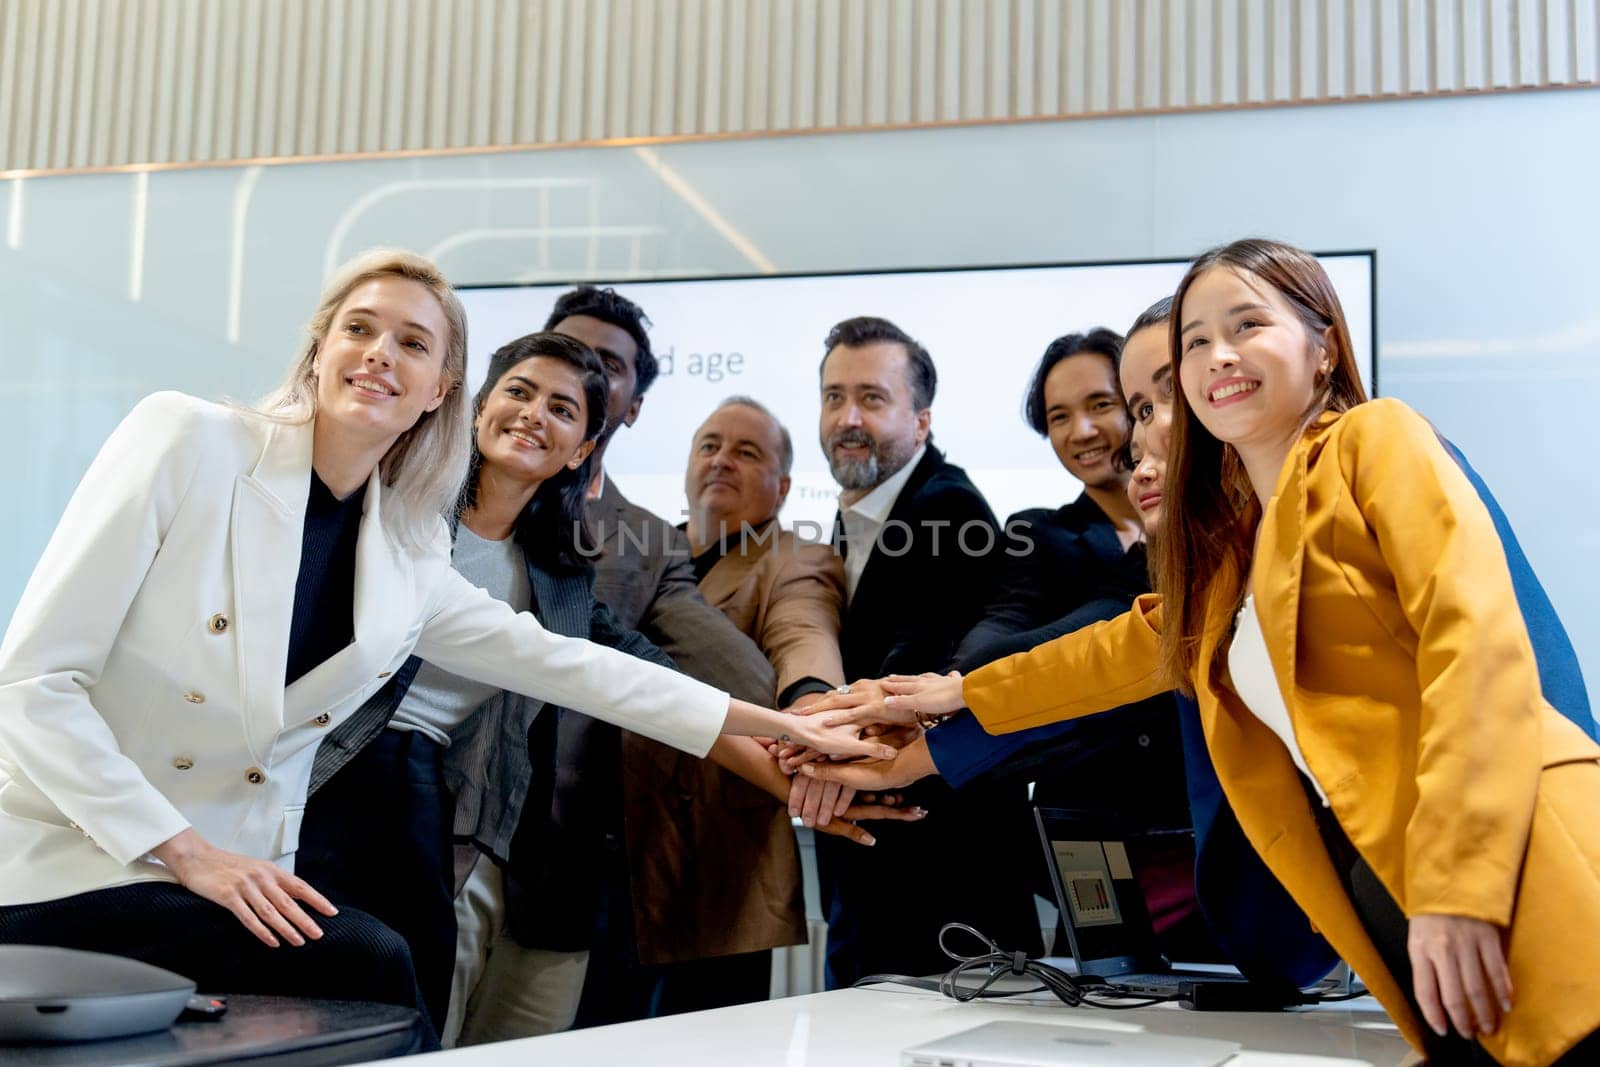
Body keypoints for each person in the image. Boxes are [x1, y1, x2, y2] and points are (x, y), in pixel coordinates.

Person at [0, 249, 889, 1046]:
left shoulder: (407, 545)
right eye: (359, 328)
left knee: (385, 978)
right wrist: (184, 848)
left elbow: (576, 668)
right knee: (375, 962)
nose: (381, 351)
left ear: (439, 391)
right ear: (319, 351)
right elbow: (35, 684)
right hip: (83, 856)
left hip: (239, 881)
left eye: (414, 343)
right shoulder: (189, 439)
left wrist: (789, 730)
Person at [814, 240, 1600, 1065]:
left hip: (1512, 874)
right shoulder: (1230, 567)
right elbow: (1102, 658)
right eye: (1195, 342)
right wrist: (931, 712)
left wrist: (1462, 887)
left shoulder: (1377, 440)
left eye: (1247, 324)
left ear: (1324, 344)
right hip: (1402, 920)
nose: (1216, 356)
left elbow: (1476, 646)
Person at [811, 315, 1043, 988]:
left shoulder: (948, 508)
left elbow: (909, 661)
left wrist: (804, 732)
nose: (847, 417)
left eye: (872, 398)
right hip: (883, 855)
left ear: (922, 421)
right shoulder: (860, 510)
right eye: (833, 396)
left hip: (940, 866)